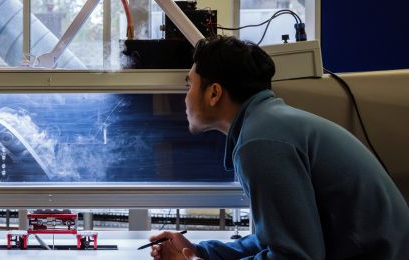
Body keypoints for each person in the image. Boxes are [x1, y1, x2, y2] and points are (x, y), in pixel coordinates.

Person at [150, 36, 409, 260]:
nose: (185, 97)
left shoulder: (260, 142)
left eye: (189, 85)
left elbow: (295, 256)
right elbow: (273, 239)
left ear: (214, 93)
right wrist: (202, 251)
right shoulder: (267, 124)